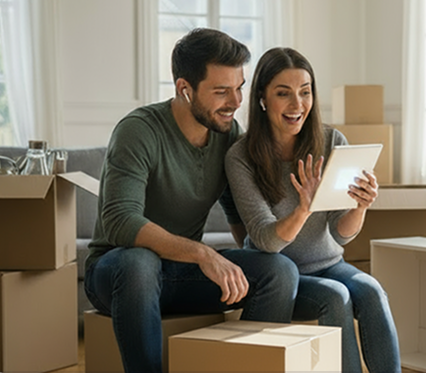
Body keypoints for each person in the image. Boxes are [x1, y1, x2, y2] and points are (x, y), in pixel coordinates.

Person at [84, 29, 299, 373]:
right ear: (185, 89)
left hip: (180, 274)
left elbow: (238, 212)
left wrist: (255, 254)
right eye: (221, 91)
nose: (236, 101)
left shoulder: (229, 135)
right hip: (118, 273)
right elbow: (120, 220)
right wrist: (203, 253)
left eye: (240, 87)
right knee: (140, 262)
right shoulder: (139, 130)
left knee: (279, 272)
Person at [224, 47, 401, 373]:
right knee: (335, 297)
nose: (297, 105)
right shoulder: (241, 157)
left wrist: (360, 207)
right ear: (262, 97)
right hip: (278, 275)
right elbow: (266, 240)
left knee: (372, 291)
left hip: (329, 263)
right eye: (283, 94)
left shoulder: (332, 141)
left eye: (305, 92)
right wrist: (304, 208)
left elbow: (339, 234)